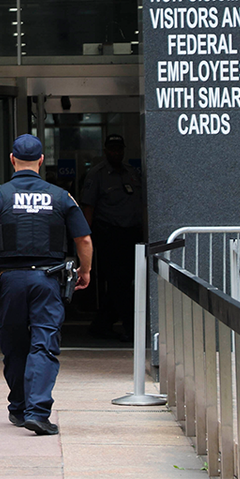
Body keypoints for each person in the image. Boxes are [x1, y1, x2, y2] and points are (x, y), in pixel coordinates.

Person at [0, 134, 92, 436]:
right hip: (48, 279)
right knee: (43, 344)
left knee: (14, 346)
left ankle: (20, 408)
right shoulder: (60, 197)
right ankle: (36, 411)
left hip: (9, 281)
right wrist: (85, 270)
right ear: (42, 161)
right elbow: (83, 239)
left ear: (11, 160)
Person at [80, 133, 144, 341]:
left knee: (126, 282)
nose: (116, 152)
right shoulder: (97, 175)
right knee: (120, 282)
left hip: (132, 234)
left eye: (119, 149)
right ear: (106, 151)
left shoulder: (131, 173)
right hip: (110, 235)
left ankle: (101, 324)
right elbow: (88, 207)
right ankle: (131, 328)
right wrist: (86, 239)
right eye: (112, 149)